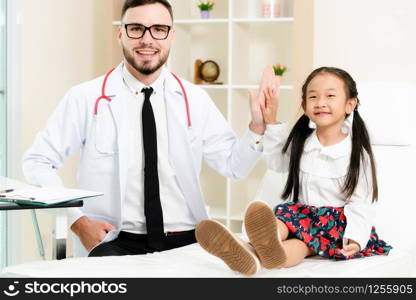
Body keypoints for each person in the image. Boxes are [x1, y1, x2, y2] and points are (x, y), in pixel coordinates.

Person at [22, 0, 275, 257]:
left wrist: (257, 126)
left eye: (159, 29)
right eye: (136, 29)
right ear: (120, 33)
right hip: (112, 240)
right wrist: (78, 222)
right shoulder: (85, 98)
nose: (147, 39)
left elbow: (234, 166)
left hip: (185, 239)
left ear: (172, 36)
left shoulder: (194, 99)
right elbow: (37, 162)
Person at [195, 67, 392, 275]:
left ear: (350, 105)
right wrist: (270, 120)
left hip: (335, 225)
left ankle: (254, 250)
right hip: (302, 215)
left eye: (330, 96)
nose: (321, 102)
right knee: (281, 221)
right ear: (304, 106)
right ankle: (254, 252)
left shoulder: (356, 153)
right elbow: (277, 163)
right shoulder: (301, 143)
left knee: (302, 245)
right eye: (313, 96)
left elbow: (361, 201)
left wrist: (356, 237)